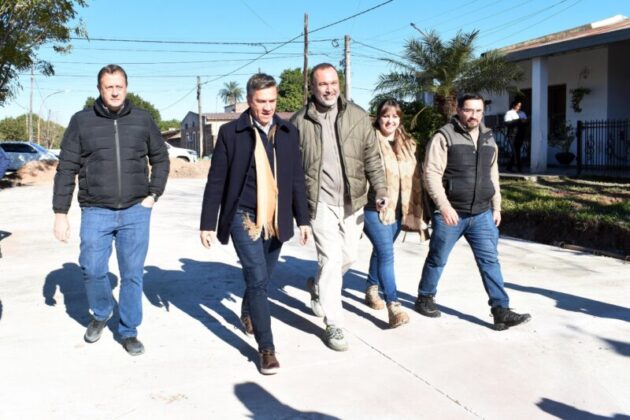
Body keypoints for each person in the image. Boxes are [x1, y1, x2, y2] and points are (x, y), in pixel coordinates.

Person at [52, 64, 170, 355]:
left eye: (119, 86)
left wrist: (153, 195)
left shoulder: (143, 119)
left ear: (126, 87)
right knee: (92, 269)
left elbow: (161, 158)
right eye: (109, 87)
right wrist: (60, 213)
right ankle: (102, 312)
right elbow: (66, 168)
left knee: (132, 274)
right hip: (96, 210)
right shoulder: (81, 121)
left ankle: (129, 331)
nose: (115, 92)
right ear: (99, 89)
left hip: (135, 211)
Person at [199, 73, 310, 375]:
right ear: (249, 101)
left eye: (272, 101)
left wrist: (303, 219)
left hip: (276, 216)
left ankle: (248, 309)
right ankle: (266, 348)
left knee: (261, 278)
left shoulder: (287, 132)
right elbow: (217, 180)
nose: (268, 107)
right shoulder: (231, 133)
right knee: (258, 278)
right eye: (261, 101)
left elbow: (295, 179)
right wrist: (207, 222)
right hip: (242, 215)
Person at [291, 63, 388, 351]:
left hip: (352, 201)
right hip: (319, 202)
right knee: (331, 260)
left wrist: (381, 190)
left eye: (333, 83)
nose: (329, 89)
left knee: (349, 256)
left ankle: (318, 286)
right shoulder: (298, 122)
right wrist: (296, 209)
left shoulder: (358, 116)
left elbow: (372, 158)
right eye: (322, 84)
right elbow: (290, 169)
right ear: (312, 87)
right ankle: (334, 324)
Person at [414, 93, 531, 331]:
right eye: (468, 110)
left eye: (478, 111)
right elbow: (431, 174)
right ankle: (425, 297)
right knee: (438, 258)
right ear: (458, 110)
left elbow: (493, 174)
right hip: (451, 213)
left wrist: (496, 206)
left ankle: (501, 310)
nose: (473, 115)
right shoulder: (444, 136)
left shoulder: (489, 137)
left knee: (490, 261)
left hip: (481, 214)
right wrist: (444, 206)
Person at [362, 99, 429, 328]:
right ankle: (394, 306)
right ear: (378, 118)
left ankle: (371, 289)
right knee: (387, 253)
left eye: (395, 116)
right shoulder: (369, 141)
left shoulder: (408, 143)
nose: (390, 121)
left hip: (400, 209)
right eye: (385, 116)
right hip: (374, 208)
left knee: (381, 251)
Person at [504, 99, 528, 172]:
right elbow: (507, 123)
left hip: (520, 134)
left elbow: (526, 122)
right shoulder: (509, 113)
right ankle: (519, 168)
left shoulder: (522, 113)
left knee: (517, 151)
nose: (519, 107)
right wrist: (518, 120)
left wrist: (525, 121)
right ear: (514, 105)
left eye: (520, 106)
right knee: (516, 151)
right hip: (512, 135)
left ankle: (509, 167)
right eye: (518, 106)